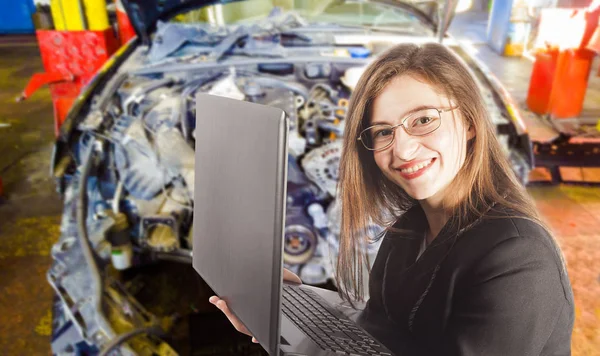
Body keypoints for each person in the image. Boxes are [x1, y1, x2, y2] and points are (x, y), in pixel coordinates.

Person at [209, 43, 574, 355]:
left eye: (423, 120)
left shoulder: (518, 259)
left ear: (469, 122)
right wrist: (289, 308)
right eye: (383, 131)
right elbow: (381, 329)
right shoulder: (410, 228)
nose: (402, 149)